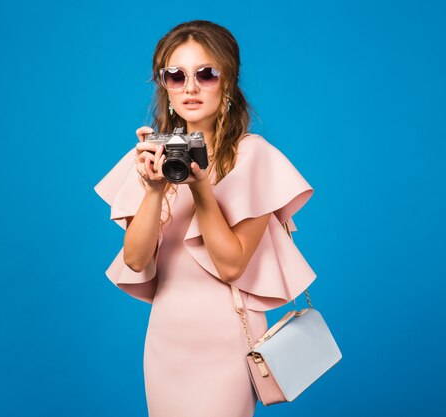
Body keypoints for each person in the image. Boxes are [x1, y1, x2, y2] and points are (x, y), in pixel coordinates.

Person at [94, 20, 316, 417]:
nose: (190, 87)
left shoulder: (254, 156)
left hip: (226, 340)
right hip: (166, 340)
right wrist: (155, 190)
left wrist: (200, 189)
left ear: (227, 81)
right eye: (176, 75)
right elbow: (136, 260)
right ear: (164, 85)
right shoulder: (152, 159)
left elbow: (231, 265)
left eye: (206, 74)